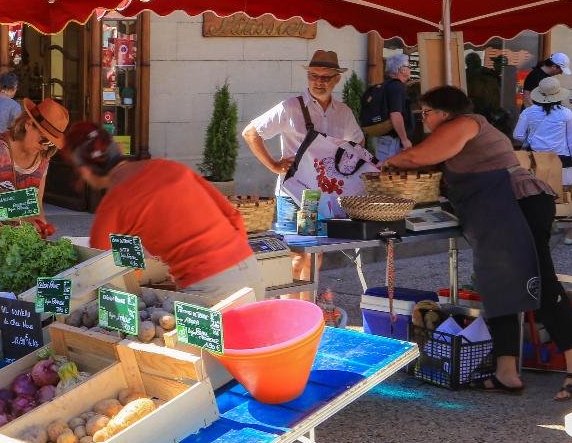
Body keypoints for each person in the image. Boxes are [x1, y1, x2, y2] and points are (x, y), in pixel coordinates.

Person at [385, 85, 572, 400]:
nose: (424, 119)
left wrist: (385, 165)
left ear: (445, 113)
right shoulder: (463, 128)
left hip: (517, 204)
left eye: (427, 112)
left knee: (540, 283)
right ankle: (506, 373)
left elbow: (419, 155)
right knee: (498, 286)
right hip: (496, 211)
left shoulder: (466, 123)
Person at [65, 122, 264, 303]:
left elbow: (104, 269)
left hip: (210, 287)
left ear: (85, 171)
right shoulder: (170, 167)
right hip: (250, 268)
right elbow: (233, 217)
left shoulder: (114, 203)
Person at [242, 50, 363, 232]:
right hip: (293, 193)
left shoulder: (343, 112)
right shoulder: (290, 107)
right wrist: (274, 166)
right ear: (308, 76)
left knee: (319, 247)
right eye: (314, 76)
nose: (319, 82)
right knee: (297, 252)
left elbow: (358, 144)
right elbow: (250, 133)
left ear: (337, 79)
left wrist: (342, 172)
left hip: (324, 195)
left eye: (325, 78)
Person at [0, 98, 68, 236]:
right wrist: (20, 217)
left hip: (11, 240)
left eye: (51, 143)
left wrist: (41, 225)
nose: (45, 146)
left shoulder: (43, 157)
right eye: (44, 139)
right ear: (28, 124)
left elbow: (36, 203)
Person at [515, 77, 572, 188]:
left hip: (536, 158)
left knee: (537, 192)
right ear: (558, 95)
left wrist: (531, 138)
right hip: (561, 159)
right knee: (561, 195)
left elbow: (517, 135)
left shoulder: (528, 112)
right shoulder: (566, 113)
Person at [372, 54, 413, 162]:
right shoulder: (397, 86)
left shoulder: (385, 85)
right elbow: (395, 114)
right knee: (389, 174)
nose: (410, 69)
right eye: (408, 66)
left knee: (383, 172)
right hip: (392, 141)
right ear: (401, 69)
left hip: (384, 139)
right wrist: (404, 140)